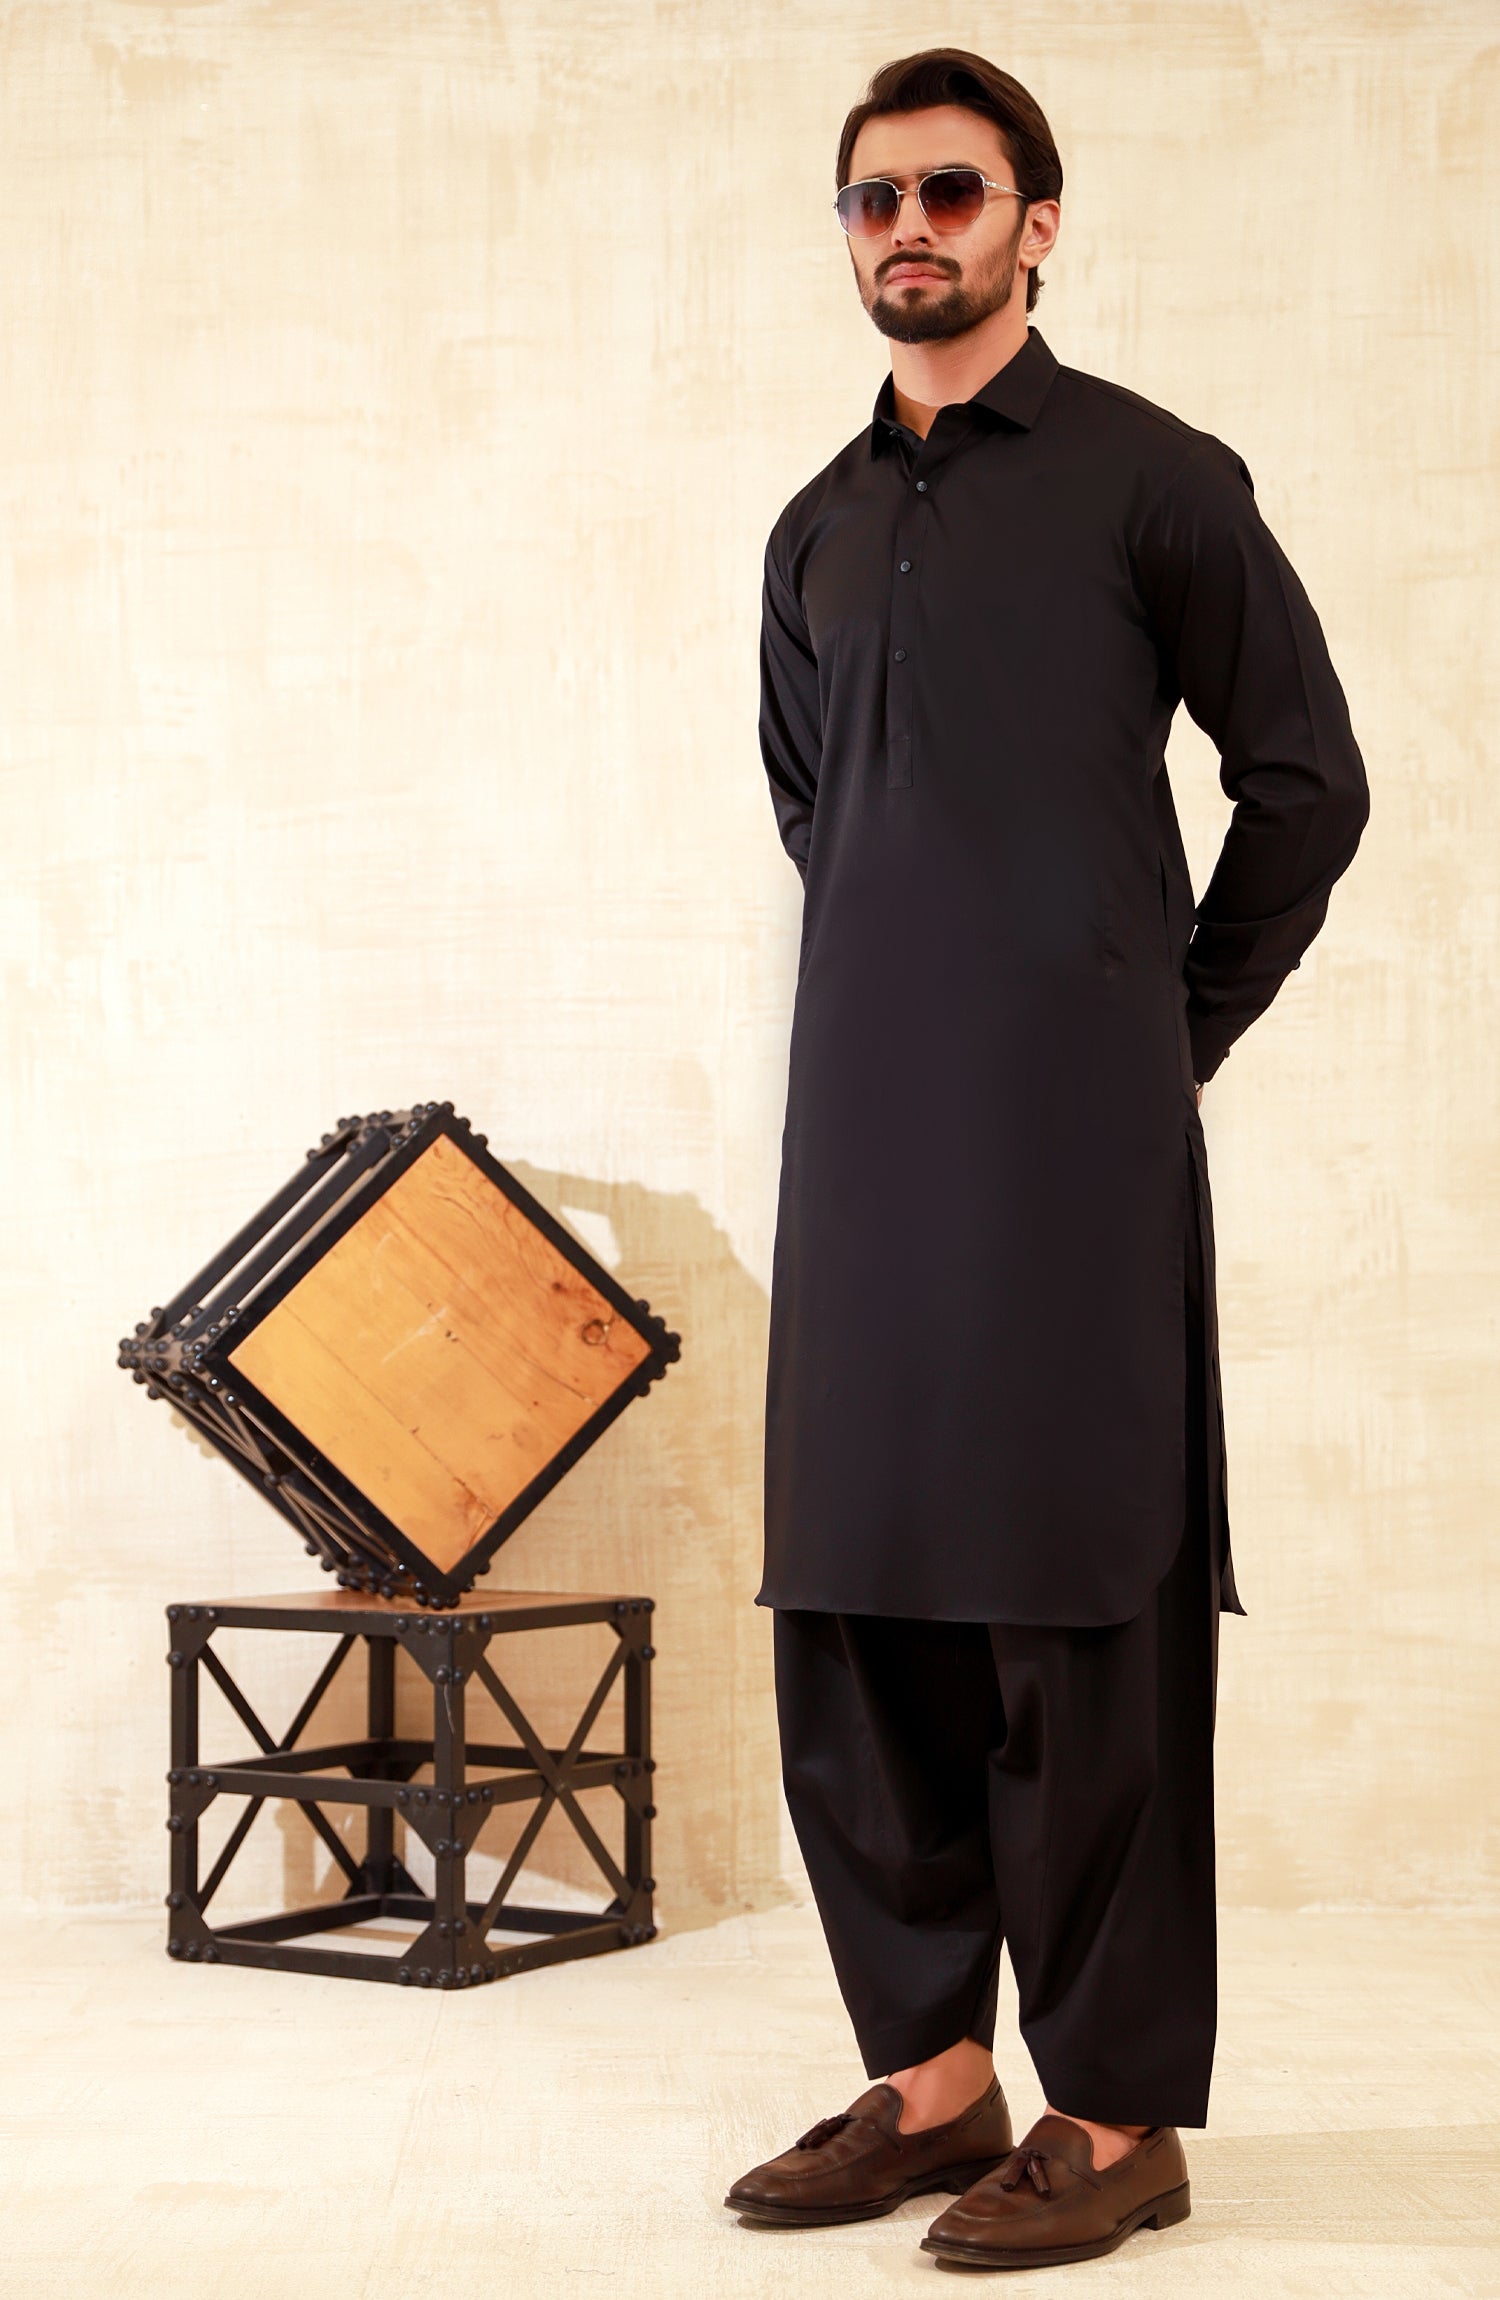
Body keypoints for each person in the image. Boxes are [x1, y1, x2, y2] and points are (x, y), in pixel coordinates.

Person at [724, 47, 1369, 2272]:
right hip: (859, 1135)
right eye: (873, 197)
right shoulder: (814, 527)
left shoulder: (1153, 480)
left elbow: (1306, 784)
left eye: (952, 190)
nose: (908, 225)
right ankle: (931, 2080)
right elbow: (819, 806)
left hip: (1076, 1156)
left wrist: (1152, 1031)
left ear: (1038, 222)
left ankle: (1115, 2110)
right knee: (857, 1593)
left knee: (1074, 1608)